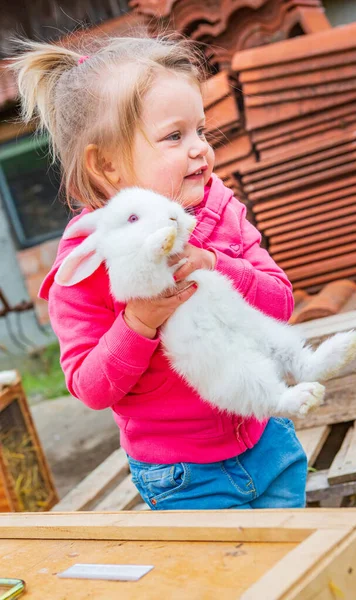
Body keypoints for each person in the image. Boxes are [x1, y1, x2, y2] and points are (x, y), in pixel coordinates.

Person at [12, 33, 307, 510]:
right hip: (183, 474)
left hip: (267, 437)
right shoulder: (88, 261)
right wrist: (140, 321)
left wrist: (215, 263)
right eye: (175, 136)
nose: (201, 151)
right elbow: (90, 386)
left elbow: (281, 302)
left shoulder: (221, 212)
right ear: (106, 165)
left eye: (202, 131)